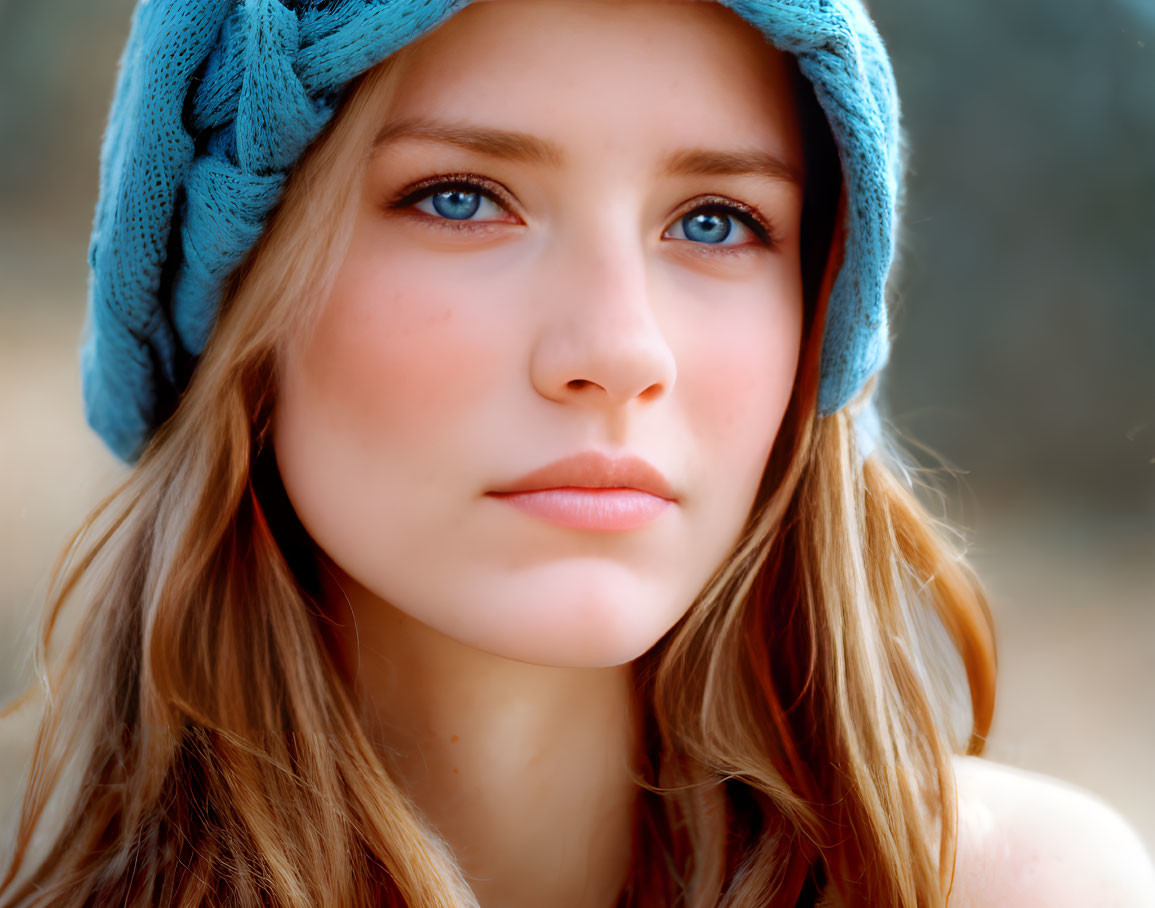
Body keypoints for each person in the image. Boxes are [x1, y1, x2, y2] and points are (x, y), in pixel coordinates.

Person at [1, 1, 1152, 905]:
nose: (616, 350)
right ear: (237, 304)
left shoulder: (1029, 888)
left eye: (716, 220)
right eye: (460, 198)